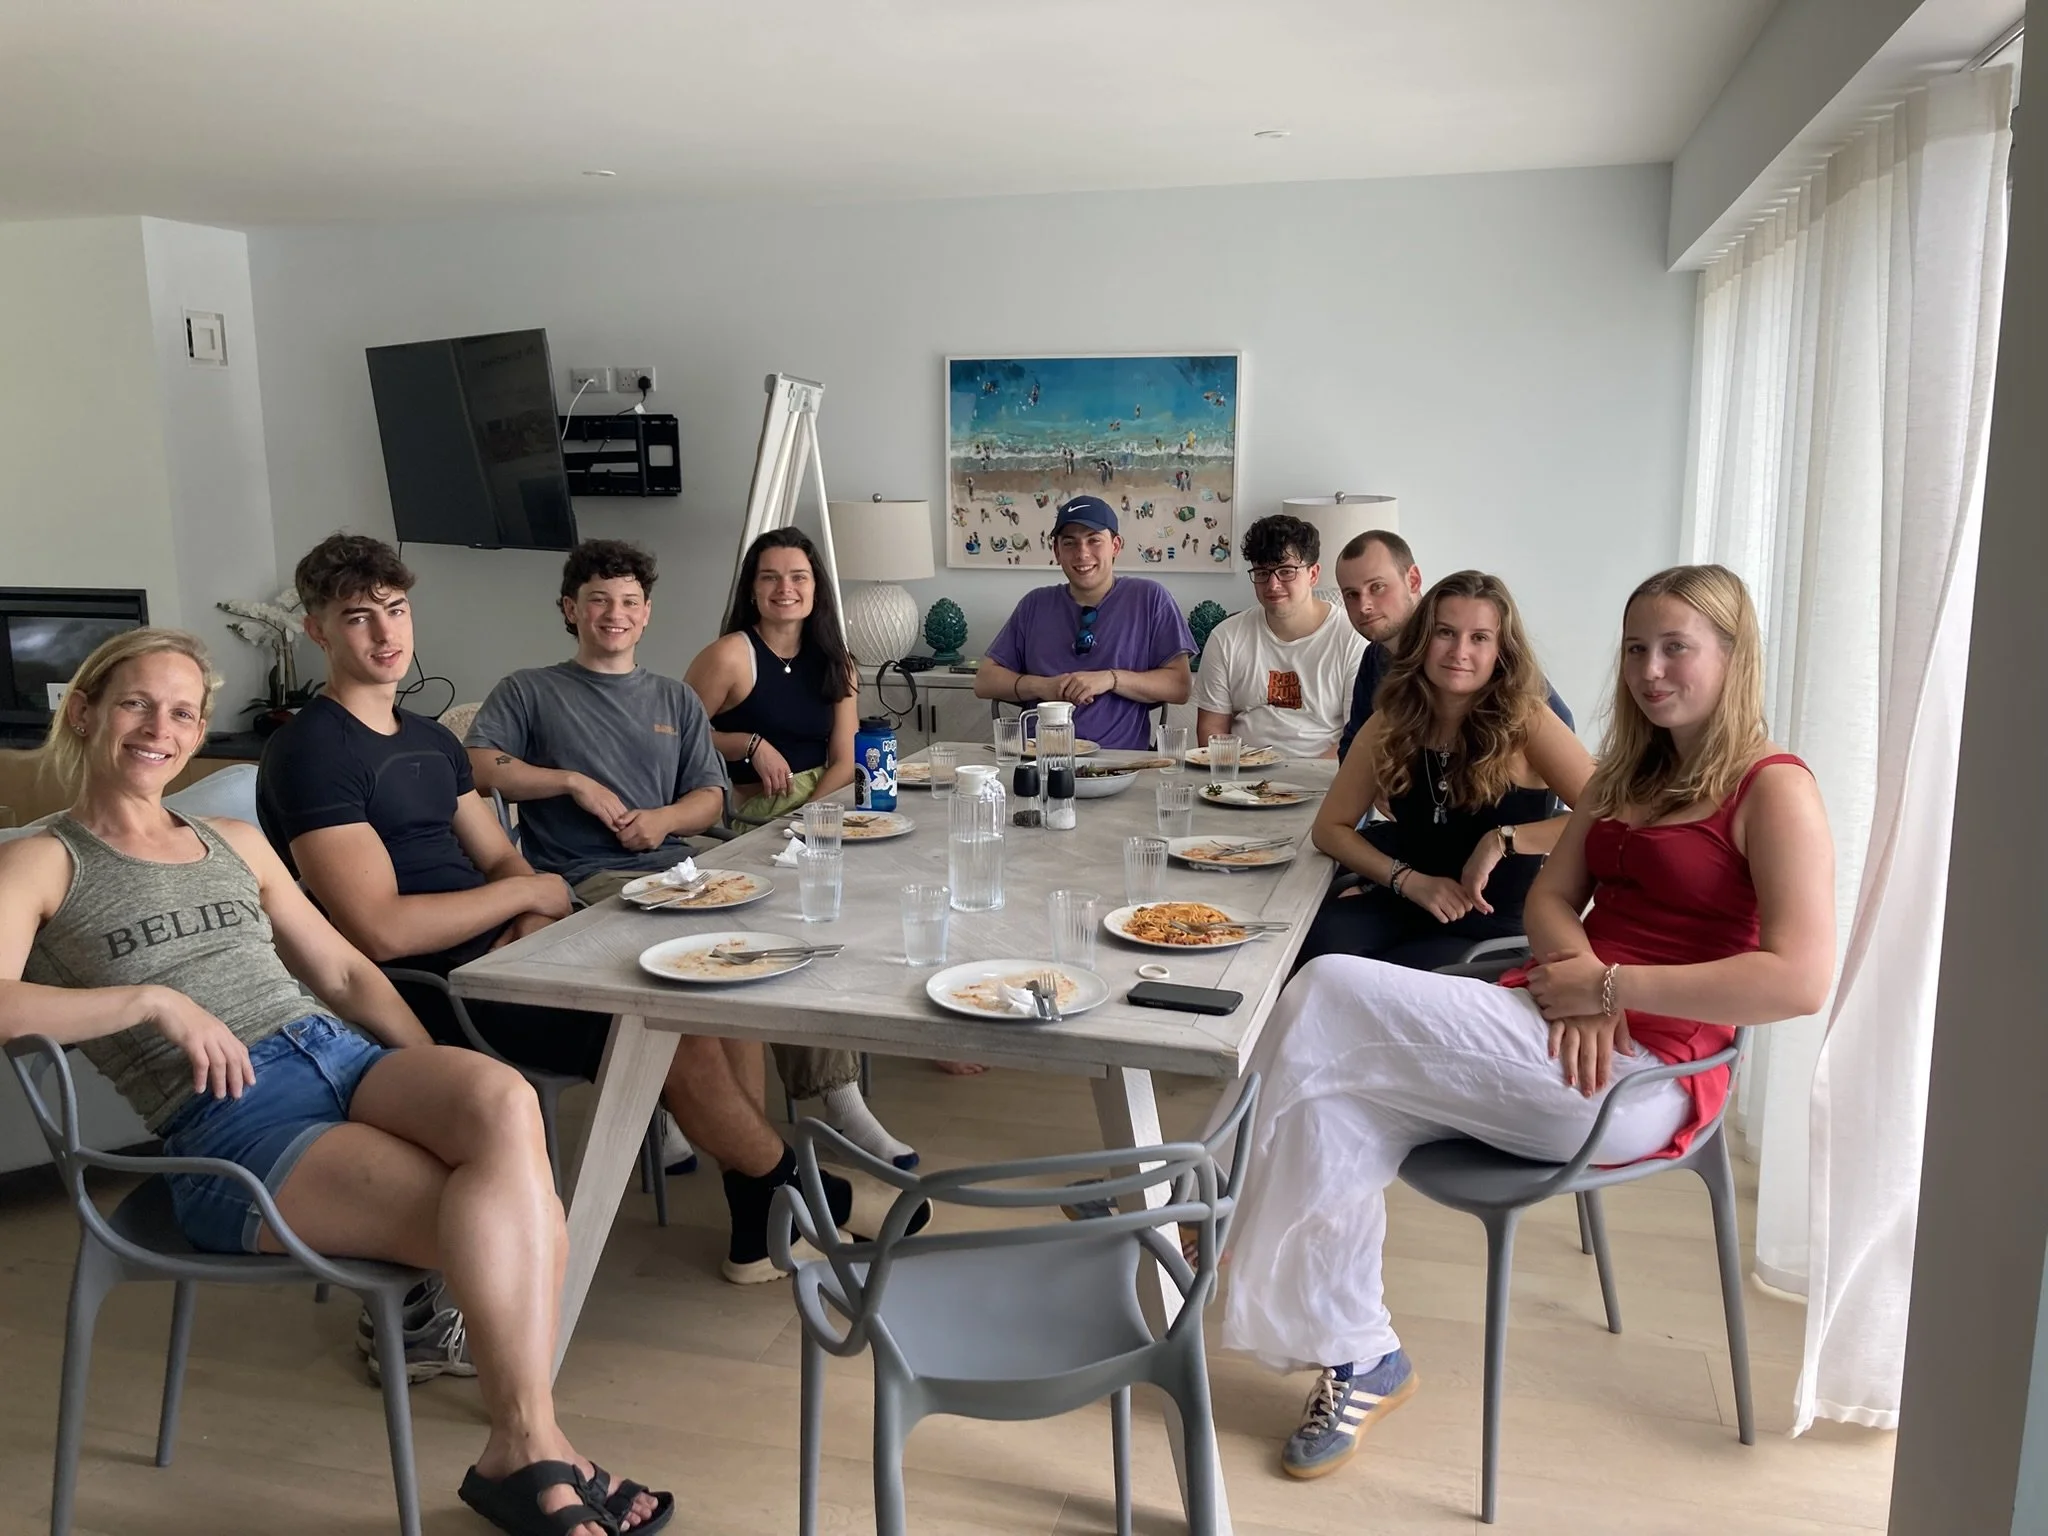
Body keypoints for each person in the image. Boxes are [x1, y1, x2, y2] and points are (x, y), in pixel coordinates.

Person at [0, 628, 673, 1535]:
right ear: (84, 712)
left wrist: (424, 1065)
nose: (159, 727)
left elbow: (351, 977)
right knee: (509, 1205)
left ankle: (525, 1446)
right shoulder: (43, 858)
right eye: (135, 703)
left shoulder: (233, 839)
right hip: (231, 1119)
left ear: (199, 731)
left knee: (503, 1103)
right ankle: (531, 1445)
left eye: (183, 711)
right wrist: (150, 1001)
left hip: (339, 1053)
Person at [1215, 564, 1833, 1482]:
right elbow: (1552, 901)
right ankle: (1361, 1355)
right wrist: (1580, 974)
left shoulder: (1773, 789)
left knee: (1328, 990)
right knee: (1337, 1104)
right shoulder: (1630, 776)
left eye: (1676, 649)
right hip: (1554, 1023)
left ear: (1733, 658)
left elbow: (1799, 980)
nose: (1650, 670)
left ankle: (1207, 1206)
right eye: (1635, 649)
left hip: (1641, 1081)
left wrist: (1613, 990)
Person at [261, 534, 916, 1286]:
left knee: (713, 992)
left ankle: (762, 1216)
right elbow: (379, 930)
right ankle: (803, 1192)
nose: (385, 634)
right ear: (316, 630)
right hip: (436, 993)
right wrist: (528, 895)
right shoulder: (313, 750)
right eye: (357, 618)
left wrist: (532, 908)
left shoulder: (425, 740)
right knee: (674, 1020)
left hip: (512, 947)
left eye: (396, 610)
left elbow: (503, 857)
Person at [682, 526, 918, 1168]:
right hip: (732, 819)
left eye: (798, 578)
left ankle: (916, 1037)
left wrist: (810, 822)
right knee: (790, 925)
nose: (785, 589)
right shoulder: (731, 654)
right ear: (752, 590)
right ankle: (838, 1097)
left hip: (812, 813)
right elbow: (672, 740)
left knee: (887, 886)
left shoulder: (836, 661)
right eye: (770, 578)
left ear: (816, 590)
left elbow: (844, 762)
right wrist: (747, 744)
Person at [1297, 570, 1593, 970]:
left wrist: (1502, 840)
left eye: (1479, 638)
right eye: (1445, 633)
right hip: (1406, 900)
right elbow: (1329, 829)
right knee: (1302, 951)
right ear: (1423, 640)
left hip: (1487, 925)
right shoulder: (1391, 720)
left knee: (1373, 982)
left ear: (1500, 651)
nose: (1459, 652)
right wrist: (1408, 881)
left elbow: (1610, 816)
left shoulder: (1529, 721)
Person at [464, 539, 726, 907]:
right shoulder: (528, 689)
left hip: (681, 868)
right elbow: (473, 765)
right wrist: (570, 782)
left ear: (646, 612)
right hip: (587, 877)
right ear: (571, 609)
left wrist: (664, 820)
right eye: (599, 599)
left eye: (630, 602)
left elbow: (710, 798)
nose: (616, 613)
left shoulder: (677, 698)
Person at [975, 495, 1195, 751]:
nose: (1082, 553)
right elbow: (984, 681)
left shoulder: (1150, 598)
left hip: (1122, 764)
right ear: (1056, 551)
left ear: (1115, 546)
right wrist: (1042, 686)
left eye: (1094, 540)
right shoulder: (1034, 604)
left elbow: (1180, 686)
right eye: (1070, 543)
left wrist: (1110, 679)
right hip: (1040, 761)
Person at [1334, 529, 1576, 761]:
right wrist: (1372, 784)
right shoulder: (1375, 658)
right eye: (1351, 594)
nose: (1364, 605)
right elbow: (1355, 745)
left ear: (1414, 580)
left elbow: (1560, 721)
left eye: (1377, 587)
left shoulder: (1459, 656)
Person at [1193, 514, 1364, 758]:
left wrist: (1299, 781)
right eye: (1262, 572)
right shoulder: (1226, 637)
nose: (1272, 585)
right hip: (1242, 782)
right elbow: (1212, 731)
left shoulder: (1351, 638)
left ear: (1313, 574)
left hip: (1323, 781)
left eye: (1286, 571)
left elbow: (1356, 737)